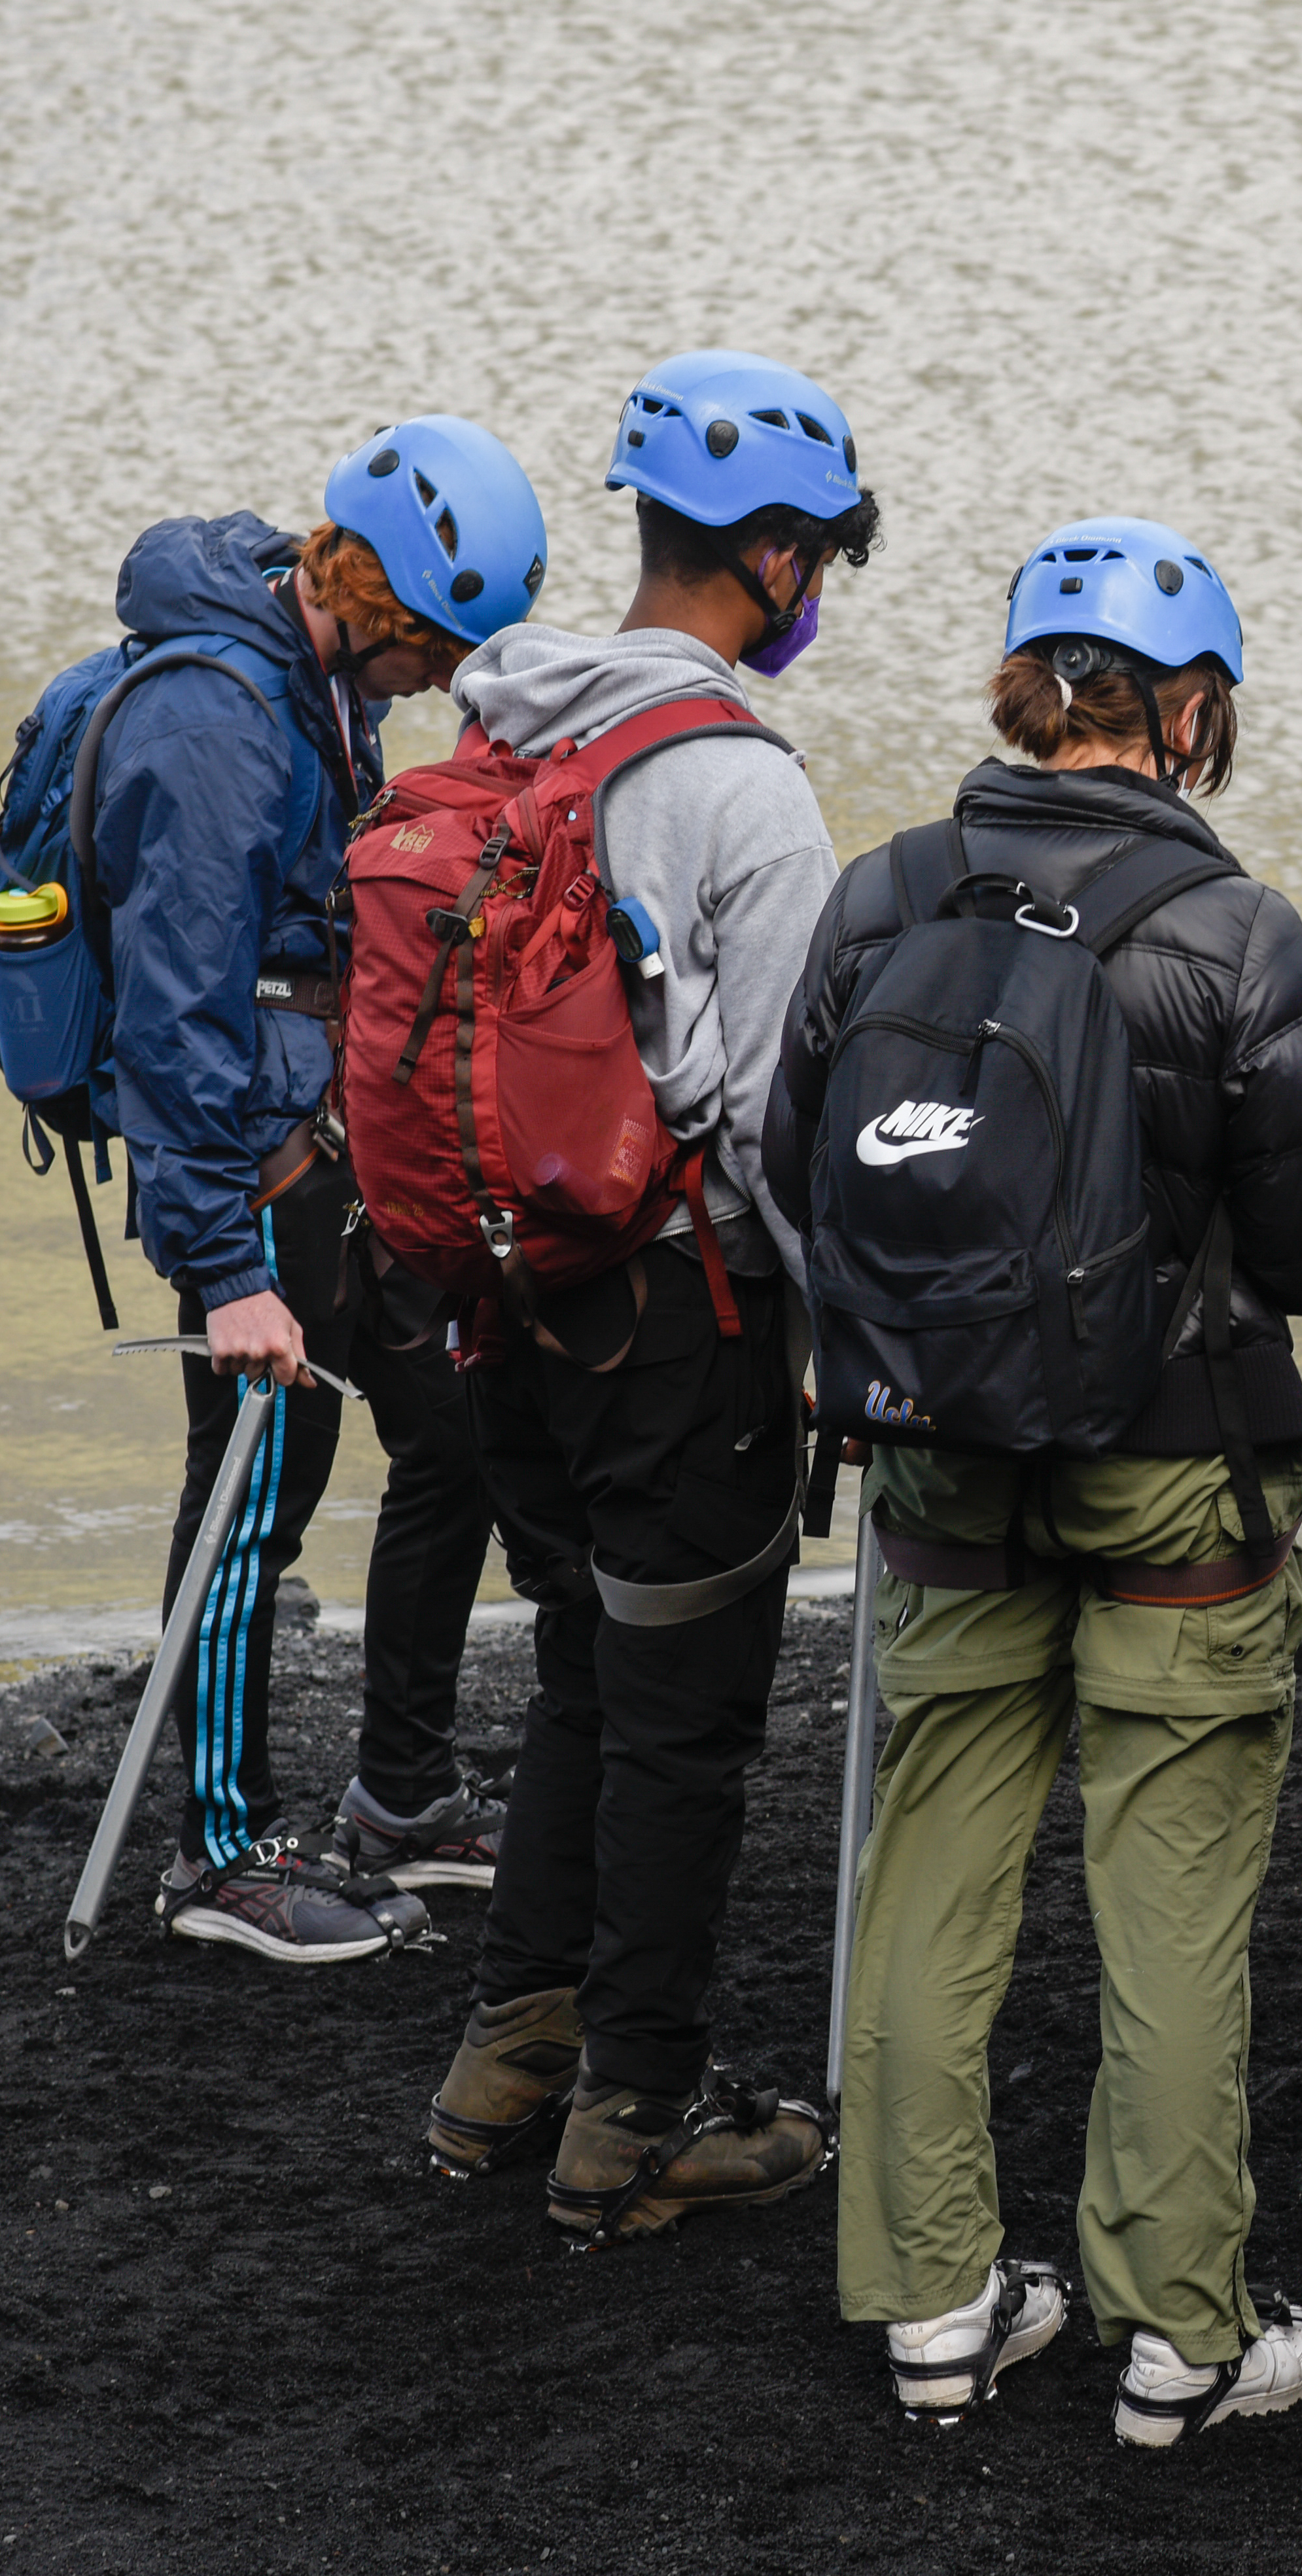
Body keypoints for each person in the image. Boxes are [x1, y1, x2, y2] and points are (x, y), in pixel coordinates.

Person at [797, 517, 1302, 2446]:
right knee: (1172, 1901)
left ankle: (928, 2307)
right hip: (1175, 1484)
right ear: (1193, 710)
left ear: (1018, 694)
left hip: (942, 1468)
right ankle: (1175, 2339)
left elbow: (801, 1165)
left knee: (928, 1888)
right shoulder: (1233, 935)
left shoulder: (882, 895)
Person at [411, 350, 870, 2238]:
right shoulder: (745, 793)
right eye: (824, 555)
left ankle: (505, 2060)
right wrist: (834, 1334)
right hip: (676, 1319)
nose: (824, 588)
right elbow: (774, 1123)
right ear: (768, 555)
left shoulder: (509, 723)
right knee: (685, 1719)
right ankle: (637, 2122)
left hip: (503, 1296)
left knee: (587, 1679)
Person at [84, 418, 549, 1964]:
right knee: (253, 1497)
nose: (443, 673)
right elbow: (170, 1014)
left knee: (456, 1429)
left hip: (340, 1141)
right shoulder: (218, 724)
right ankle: (217, 1852)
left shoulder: (318, 682)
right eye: (439, 642)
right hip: (249, 1166)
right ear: (381, 598)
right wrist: (224, 1267)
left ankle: (402, 1794)